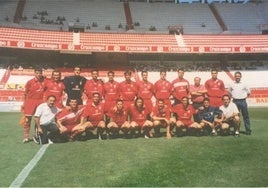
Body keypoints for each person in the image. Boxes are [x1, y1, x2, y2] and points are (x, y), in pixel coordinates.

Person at [21, 68, 46, 143]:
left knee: (37, 119)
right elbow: (25, 93)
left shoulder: (45, 81)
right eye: (37, 73)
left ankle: (36, 135)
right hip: (30, 101)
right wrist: (23, 103)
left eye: (40, 73)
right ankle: (26, 137)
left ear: (42, 73)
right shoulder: (30, 82)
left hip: (40, 101)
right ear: (35, 73)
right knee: (28, 120)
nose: (39, 74)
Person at [229, 71, 251, 135]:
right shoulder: (231, 84)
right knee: (235, 117)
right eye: (236, 76)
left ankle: (248, 130)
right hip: (235, 101)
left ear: (240, 77)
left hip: (242, 101)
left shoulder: (244, 83)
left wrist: (243, 97)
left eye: (238, 76)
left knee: (245, 116)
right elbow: (229, 92)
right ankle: (236, 130)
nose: (237, 77)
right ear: (234, 77)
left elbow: (248, 92)